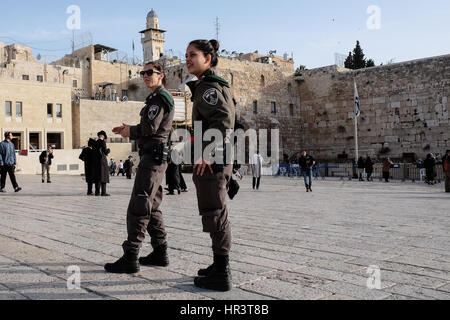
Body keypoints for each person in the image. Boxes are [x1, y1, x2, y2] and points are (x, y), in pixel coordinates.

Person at [105, 61, 174, 274]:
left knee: (139, 204)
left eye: (150, 72)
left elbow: (149, 127)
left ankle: (131, 256)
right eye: (143, 72)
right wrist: (130, 129)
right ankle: (160, 252)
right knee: (151, 206)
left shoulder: (159, 99)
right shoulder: (155, 98)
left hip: (152, 158)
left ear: (161, 75)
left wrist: (130, 131)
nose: (145, 75)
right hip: (154, 157)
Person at [185, 39, 235, 291]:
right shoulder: (212, 84)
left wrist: (208, 151)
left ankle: (222, 272)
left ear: (207, 57)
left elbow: (224, 120)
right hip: (216, 158)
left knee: (215, 213)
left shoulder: (207, 87)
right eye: (186, 55)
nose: (187, 59)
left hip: (211, 160)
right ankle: (218, 265)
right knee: (215, 212)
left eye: (193, 54)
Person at [93, 131, 111, 196]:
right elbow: (105, 151)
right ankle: (103, 192)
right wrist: (108, 150)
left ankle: (97, 192)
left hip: (96, 162)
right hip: (102, 161)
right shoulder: (103, 142)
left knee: (98, 177)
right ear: (103, 136)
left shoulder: (95, 143)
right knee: (104, 176)